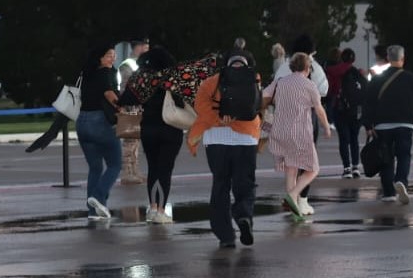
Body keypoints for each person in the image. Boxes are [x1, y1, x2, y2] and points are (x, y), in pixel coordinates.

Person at [118, 48, 219, 222]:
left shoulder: (142, 78)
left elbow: (126, 99)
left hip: (148, 129)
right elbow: (191, 95)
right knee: (165, 170)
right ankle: (161, 210)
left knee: (153, 169)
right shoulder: (175, 77)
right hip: (171, 130)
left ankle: (152, 208)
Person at [186, 49, 262, 248]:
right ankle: (244, 216)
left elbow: (200, 106)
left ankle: (225, 235)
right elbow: (256, 105)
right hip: (245, 139)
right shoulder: (254, 78)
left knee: (221, 184)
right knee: (245, 183)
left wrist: (219, 118)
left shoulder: (212, 82)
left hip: (216, 140)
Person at [265, 53, 333, 219]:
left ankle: (294, 208)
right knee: (313, 169)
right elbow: (319, 109)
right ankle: (293, 194)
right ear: (307, 68)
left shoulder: (280, 82)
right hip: (299, 132)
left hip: (280, 131)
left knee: (291, 169)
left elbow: (264, 96)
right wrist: (326, 127)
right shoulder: (309, 85)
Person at [362, 45, 413, 204]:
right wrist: (412, 116)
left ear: (388, 58)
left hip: (382, 125)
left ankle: (388, 193)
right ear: (402, 59)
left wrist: (368, 125)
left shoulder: (377, 79)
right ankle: (401, 180)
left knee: (385, 157)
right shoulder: (411, 78)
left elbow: (368, 102)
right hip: (405, 123)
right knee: (404, 154)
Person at [77, 42, 122, 220]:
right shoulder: (105, 73)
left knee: (95, 167)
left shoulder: (86, 73)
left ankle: (93, 211)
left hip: (82, 122)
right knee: (115, 164)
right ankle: (98, 196)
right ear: (100, 59)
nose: (113, 58)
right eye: (109, 55)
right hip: (100, 122)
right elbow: (109, 94)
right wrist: (122, 108)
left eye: (114, 54)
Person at [325, 48, 365, 178]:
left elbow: (330, 90)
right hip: (356, 111)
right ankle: (355, 167)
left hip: (340, 109)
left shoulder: (333, 71)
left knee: (344, 139)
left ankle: (346, 168)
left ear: (341, 58)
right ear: (353, 59)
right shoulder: (357, 73)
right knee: (354, 138)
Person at [117, 39, 150, 186]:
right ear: (140, 47)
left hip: (139, 106)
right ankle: (127, 173)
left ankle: (135, 170)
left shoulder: (140, 63)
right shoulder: (128, 65)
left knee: (136, 141)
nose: (148, 49)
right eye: (146, 46)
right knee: (130, 141)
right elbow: (128, 86)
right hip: (130, 107)